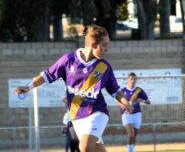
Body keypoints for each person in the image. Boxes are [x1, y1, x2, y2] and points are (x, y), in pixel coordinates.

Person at [15, 24, 133, 152]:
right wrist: (28, 87)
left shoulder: (104, 67)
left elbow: (115, 90)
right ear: (93, 45)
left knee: (85, 147)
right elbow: (47, 75)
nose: (107, 49)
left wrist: (126, 103)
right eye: (104, 45)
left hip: (97, 113)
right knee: (96, 149)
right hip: (77, 116)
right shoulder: (68, 60)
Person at [118, 72, 150, 152]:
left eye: (135, 79)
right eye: (131, 79)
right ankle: (129, 150)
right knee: (131, 134)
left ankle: (132, 149)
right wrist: (123, 106)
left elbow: (148, 101)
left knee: (134, 136)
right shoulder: (122, 90)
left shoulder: (139, 90)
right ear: (127, 80)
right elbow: (118, 101)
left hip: (137, 114)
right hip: (126, 114)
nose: (133, 80)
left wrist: (141, 100)